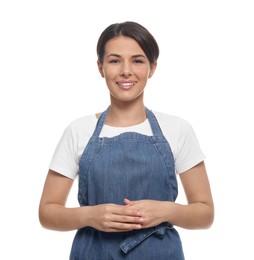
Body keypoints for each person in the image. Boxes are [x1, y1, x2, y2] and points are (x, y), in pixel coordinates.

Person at [39, 21, 214, 259]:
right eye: (114, 60)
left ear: (152, 68)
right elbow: (47, 212)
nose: (126, 71)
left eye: (137, 60)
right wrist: (91, 216)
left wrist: (165, 210)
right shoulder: (79, 130)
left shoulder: (177, 129)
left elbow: (205, 213)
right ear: (100, 67)